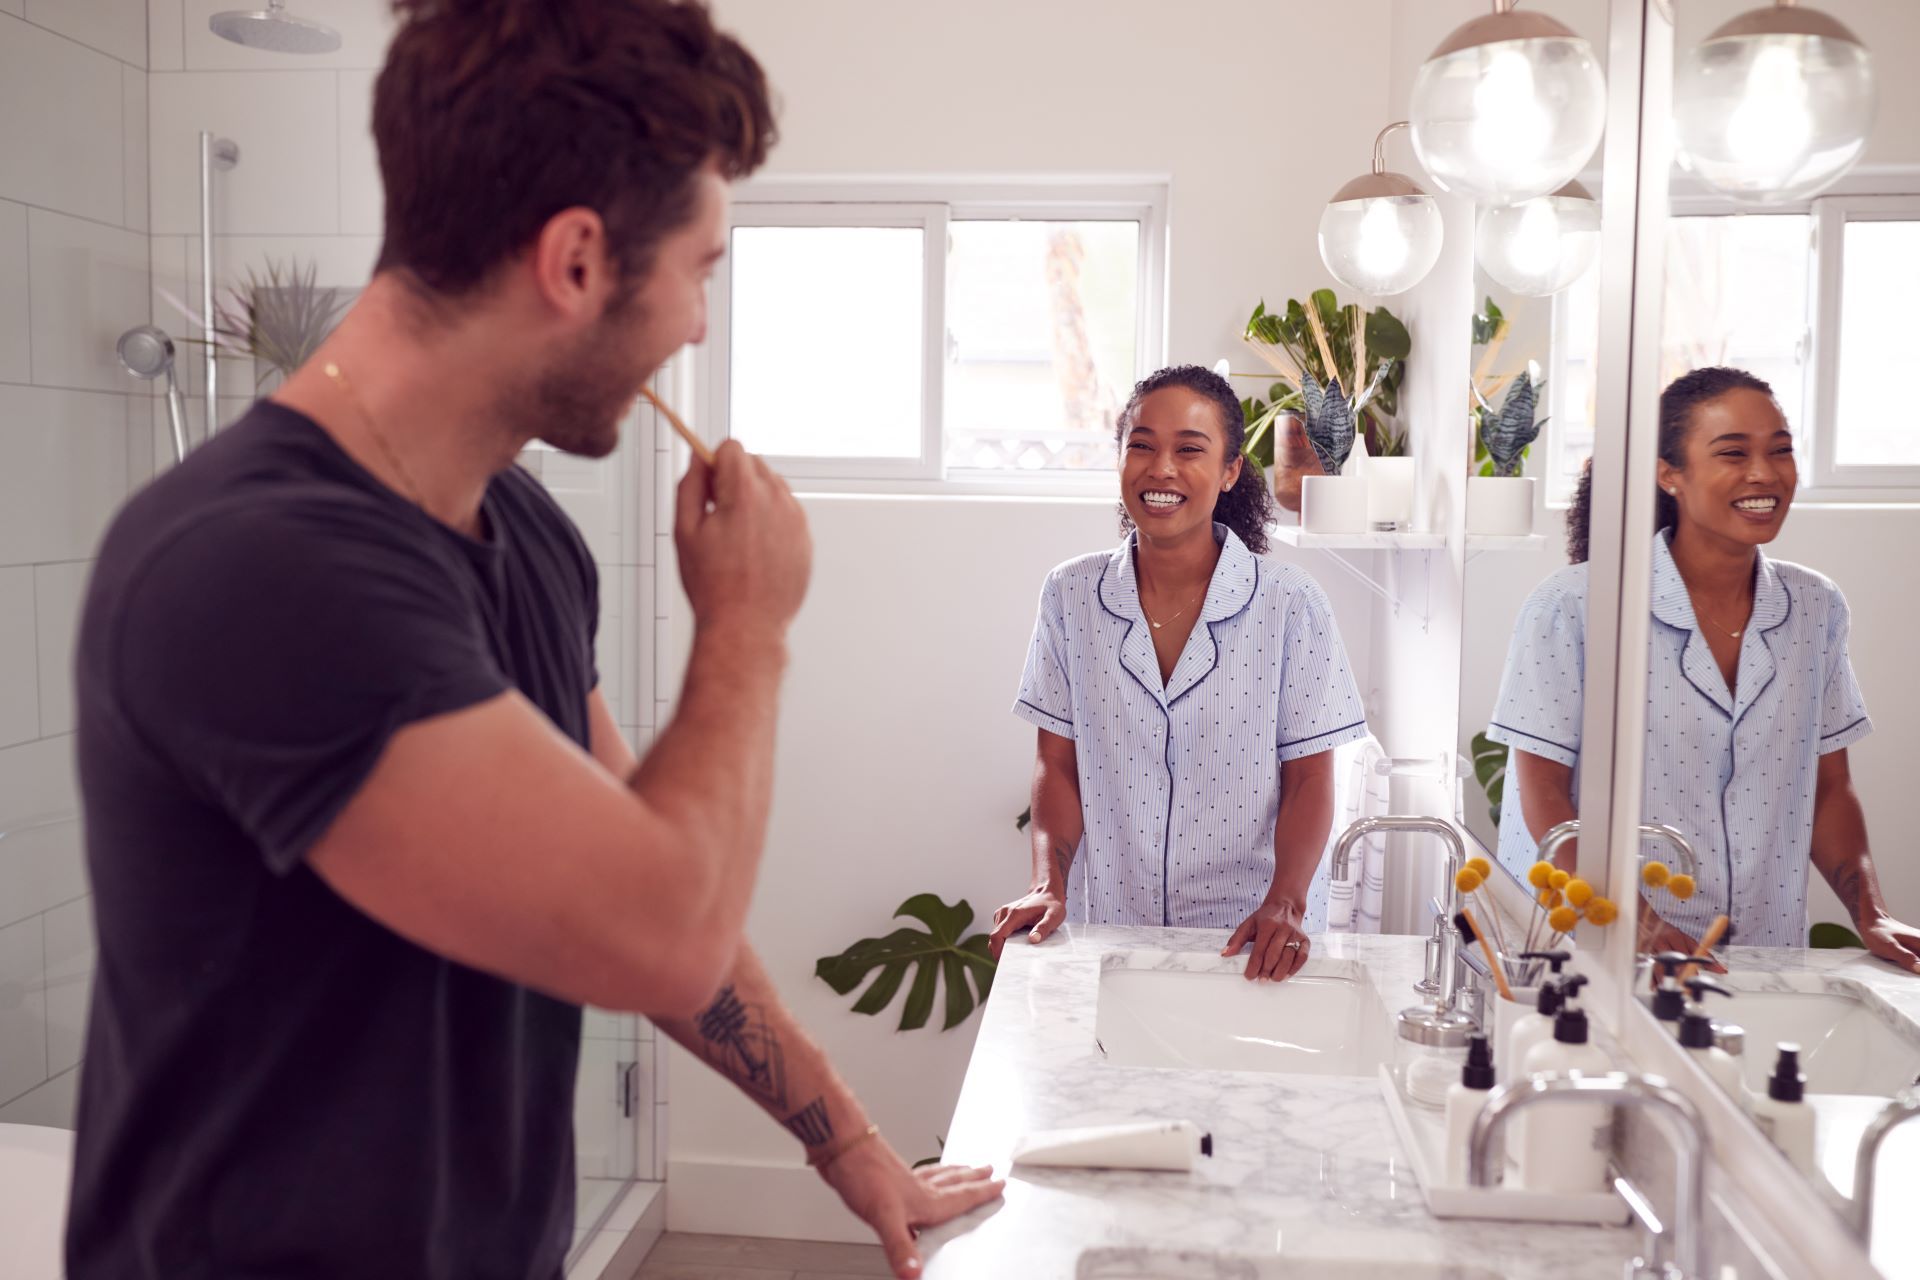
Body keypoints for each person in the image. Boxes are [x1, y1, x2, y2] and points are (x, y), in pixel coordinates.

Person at [67, 4, 999, 1278]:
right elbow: (657, 927)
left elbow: (632, 862)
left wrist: (851, 1143)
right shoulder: (259, 567)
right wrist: (747, 622)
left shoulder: (525, 532)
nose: (696, 327)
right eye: (700, 271)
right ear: (574, 260)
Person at [1489, 367, 1920, 970]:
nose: (1764, 473)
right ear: (1670, 474)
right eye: (1733, 453)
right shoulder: (1574, 607)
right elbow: (1542, 795)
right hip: (1594, 953)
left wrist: (1869, 912)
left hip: (1760, 958)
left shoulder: (1816, 609)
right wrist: (1634, 921)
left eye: (1780, 451)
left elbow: (1827, 789)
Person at [987, 365, 1369, 981]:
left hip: (1249, 942)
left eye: (1189, 449)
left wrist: (1287, 902)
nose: (1160, 468)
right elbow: (1057, 765)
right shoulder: (1070, 595)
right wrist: (1047, 884)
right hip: (1107, 931)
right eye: (1141, 446)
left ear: (1229, 471)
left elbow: (1307, 779)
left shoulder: (1291, 603)